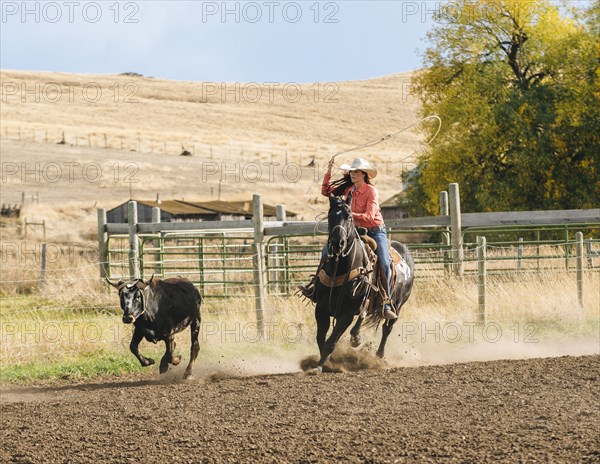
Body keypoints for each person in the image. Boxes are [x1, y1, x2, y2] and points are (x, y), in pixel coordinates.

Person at [300, 157, 397, 320]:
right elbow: (326, 192)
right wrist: (328, 172)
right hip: (355, 231)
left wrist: (348, 215)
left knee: (385, 263)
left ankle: (385, 302)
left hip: (374, 230)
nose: (353, 174)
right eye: (352, 171)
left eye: (356, 171)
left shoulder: (371, 191)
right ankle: (316, 288)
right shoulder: (349, 190)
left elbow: (369, 216)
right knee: (327, 251)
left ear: (364, 174)